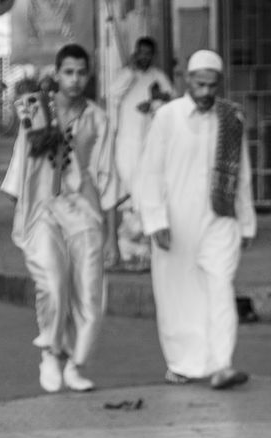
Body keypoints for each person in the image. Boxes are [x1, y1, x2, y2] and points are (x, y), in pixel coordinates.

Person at [2, 43, 118, 393]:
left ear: (89, 75)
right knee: (53, 284)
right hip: (41, 211)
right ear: (57, 73)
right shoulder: (34, 111)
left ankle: (76, 363)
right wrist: (20, 212)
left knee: (90, 293)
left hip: (84, 213)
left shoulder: (99, 120)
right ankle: (51, 353)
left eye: (82, 72)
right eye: (68, 72)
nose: (75, 79)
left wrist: (112, 235)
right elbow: (22, 164)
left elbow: (108, 176)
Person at [137, 49, 256, 390]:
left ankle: (221, 364)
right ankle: (182, 363)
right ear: (187, 80)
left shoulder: (231, 118)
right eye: (199, 84)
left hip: (221, 218)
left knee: (220, 286)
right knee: (177, 293)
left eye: (212, 85)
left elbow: (243, 174)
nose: (205, 92)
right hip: (176, 221)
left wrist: (246, 222)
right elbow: (151, 172)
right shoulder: (167, 117)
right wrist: (155, 220)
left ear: (220, 84)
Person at [109, 37, 173, 269]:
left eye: (149, 53)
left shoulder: (158, 77)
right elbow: (113, 93)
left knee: (147, 193)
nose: (144, 56)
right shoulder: (126, 75)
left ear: (153, 55)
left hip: (150, 146)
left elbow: (169, 100)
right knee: (128, 194)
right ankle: (127, 250)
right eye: (141, 52)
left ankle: (143, 251)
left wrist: (156, 101)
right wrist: (132, 72)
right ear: (135, 53)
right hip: (127, 143)